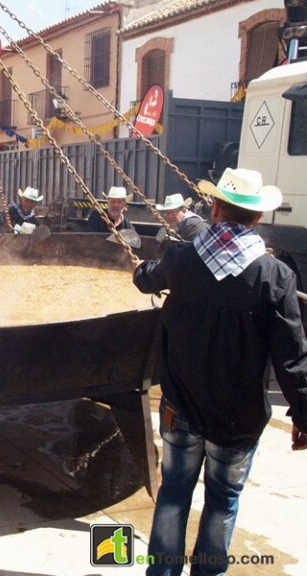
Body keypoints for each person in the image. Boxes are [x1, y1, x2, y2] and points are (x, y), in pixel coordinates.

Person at [132, 167, 307, 576]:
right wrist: (303, 415)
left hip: (181, 407)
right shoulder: (274, 276)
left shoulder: (181, 258)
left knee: (174, 493)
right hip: (237, 418)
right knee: (223, 500)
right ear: (257, 218)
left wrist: (140, 269)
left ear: (214, 208)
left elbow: (147, 279)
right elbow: (293, 357)